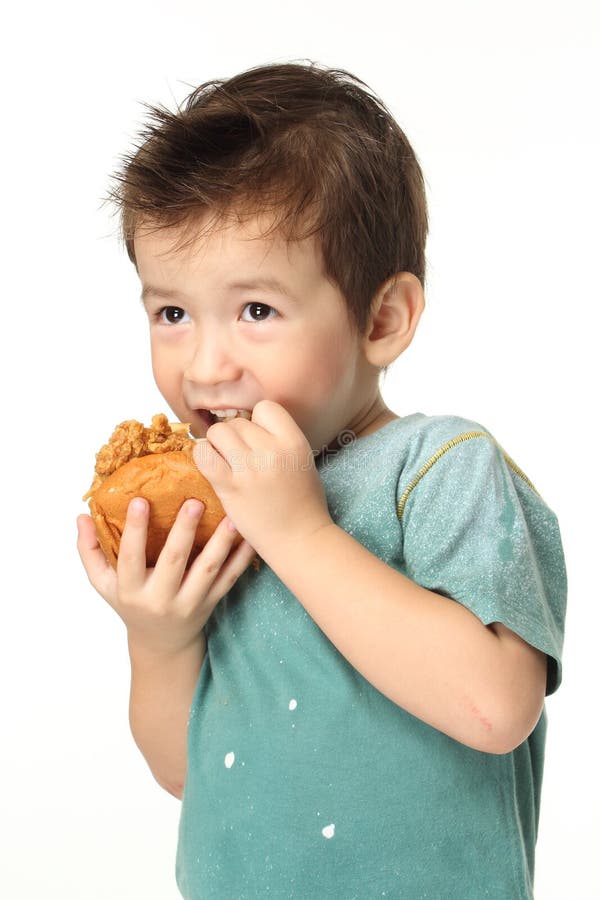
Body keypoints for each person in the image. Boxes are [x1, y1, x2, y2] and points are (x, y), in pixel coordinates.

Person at [77, 61, 567, 898]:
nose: (204, 365)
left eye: (257, 311)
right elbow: (188, 774)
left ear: (382, 320)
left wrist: (299, 533)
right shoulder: (216, 505)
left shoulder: (441, 469)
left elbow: (495, 708)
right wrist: (159, 641)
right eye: (172, 313)